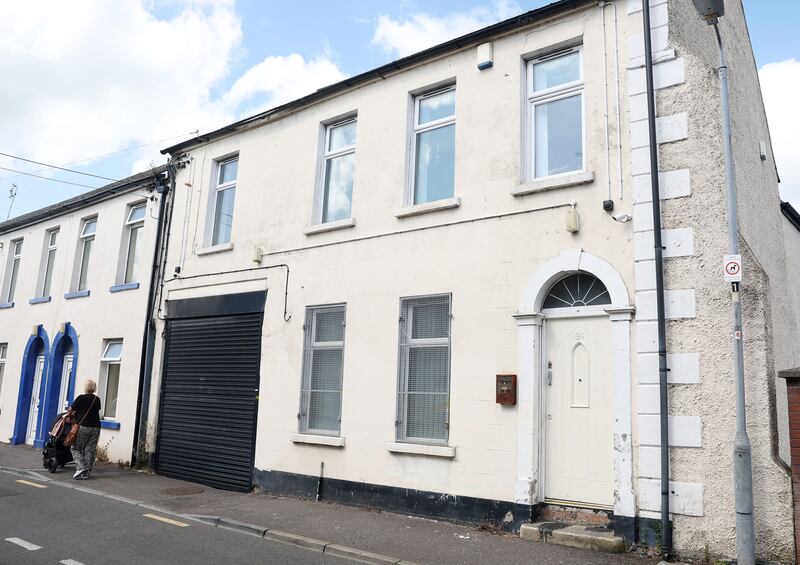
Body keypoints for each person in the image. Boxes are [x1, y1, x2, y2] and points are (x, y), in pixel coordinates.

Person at [69, 379, 102, 480]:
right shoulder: (97, 399)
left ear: (85, 387)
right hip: (96, 427)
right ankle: (86, 473)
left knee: (75, 448)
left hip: (84, 426)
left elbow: (71, 409)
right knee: (90, 449)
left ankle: (81, 468)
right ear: (94, 388)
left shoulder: (81, 398)